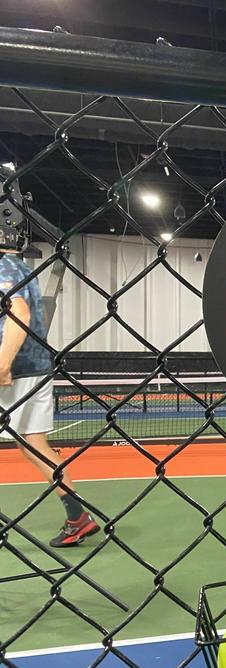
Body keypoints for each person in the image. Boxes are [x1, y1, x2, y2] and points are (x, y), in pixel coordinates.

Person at [0, 198, 98, 547]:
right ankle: (77, 516)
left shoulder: (1, 270)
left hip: (17, 370)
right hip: (38, 368)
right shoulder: (21, 269)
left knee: (31, 444)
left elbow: (19, 314)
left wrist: (3, 363)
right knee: (33, 444)